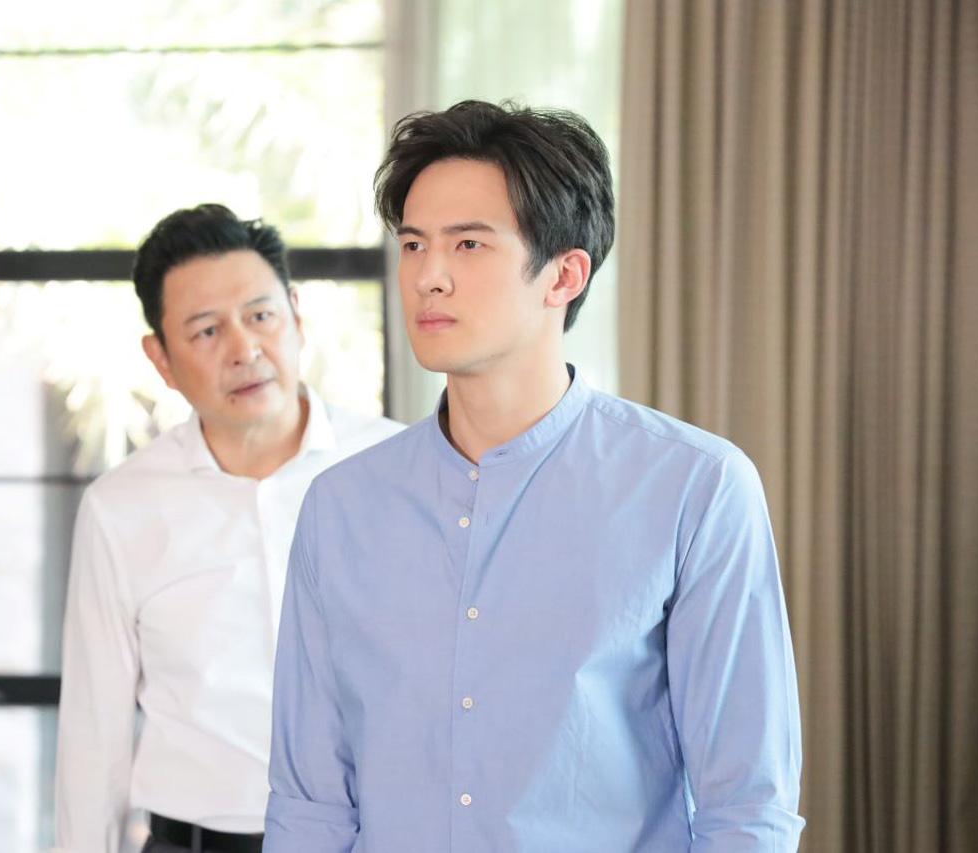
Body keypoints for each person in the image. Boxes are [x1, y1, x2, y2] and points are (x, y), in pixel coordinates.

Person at [265, 101, 804, 851]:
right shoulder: (341, 507)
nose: (428, 277)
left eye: (469, 244)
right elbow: (310, 806)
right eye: (414, 244)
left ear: (564, 274)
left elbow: (746, 808)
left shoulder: (695, 488)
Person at [53, 204, 403, 853]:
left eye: (261, 316)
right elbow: (93, 733)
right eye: (207, 330)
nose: (244, 350)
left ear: (297, 317)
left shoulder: (398, 468)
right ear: (161, 358)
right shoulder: (121, 508)